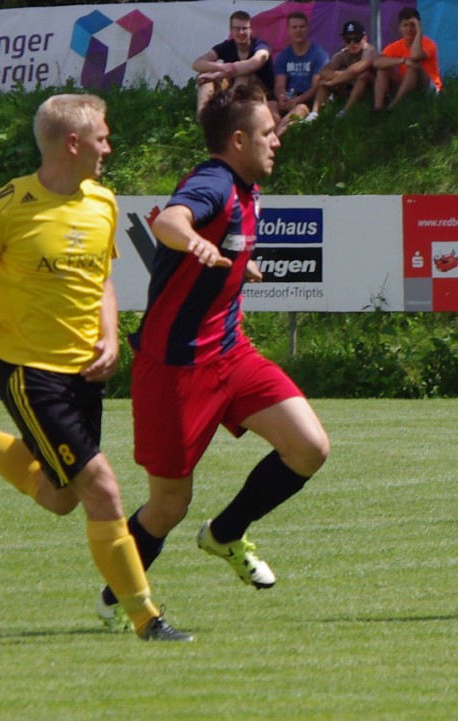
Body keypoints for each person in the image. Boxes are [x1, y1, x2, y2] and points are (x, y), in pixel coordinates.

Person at [0, 93, 191, 641]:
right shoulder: (5, 206)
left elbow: (103, 281)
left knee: (62, 498)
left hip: (84, 373)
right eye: (103, 138)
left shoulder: (103, 203)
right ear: (73, 143)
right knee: (104, 490)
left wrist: (109, 336)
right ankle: (146, 619)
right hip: (29, 373)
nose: (109, 147)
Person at [95, 83, 329, 620]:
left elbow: (219, 248)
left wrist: (238, 265)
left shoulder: (247, 190)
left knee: (309, 447)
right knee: (168, 506)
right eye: (268, 133)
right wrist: (190, 238)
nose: (277, 141)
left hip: (230, 353)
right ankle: (116, 596)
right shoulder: (214, 181)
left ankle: (225, 534)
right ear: (239, 140)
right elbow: (169, 220)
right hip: (175, 368)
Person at [191, 10, 277, 121]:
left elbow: (253, 64)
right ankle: (203, 118)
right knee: (204, 77)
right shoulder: (227, 46)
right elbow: (197, 64)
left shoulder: (260, 45)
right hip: (233, 89)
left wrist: (218, 75)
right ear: (231, 30)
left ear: (251, 30)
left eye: (244, 28)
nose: (241, 32)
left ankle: (230, 117)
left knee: (243, 76)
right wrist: (221, 67)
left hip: (263, 93)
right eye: (237, 28)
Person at [372, 7, 441, 112]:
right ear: (400, 27)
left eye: (412, 25)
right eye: (405, 25)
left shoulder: (429, 43)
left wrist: (419, 33)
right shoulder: (396, 46)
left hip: (428, 87)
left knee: (413, 65)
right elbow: (377, 63)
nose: (409, 29)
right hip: (406, 84)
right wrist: (402, 60)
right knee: (383, 69)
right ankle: (378, 108)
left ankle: (393, 107)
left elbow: (415, 56)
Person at [271, 10, 329, 133]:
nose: (298, 30)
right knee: (271, 105)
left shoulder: (319, 54)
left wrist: (296, 101)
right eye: (294, 27)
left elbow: (315, 87)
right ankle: (266, 135)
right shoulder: (283, 55)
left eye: (301, 26)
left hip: (305, 101)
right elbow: (279, 84)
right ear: (288, 30)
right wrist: (281, 97)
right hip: (288, 97)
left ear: (307, 28)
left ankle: (278, 137)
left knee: (299, 110)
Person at [313, 20, 377, 118]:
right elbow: (324, 71)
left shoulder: (369, 50)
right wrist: (345, 76)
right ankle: (314, 114)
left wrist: (334, 81)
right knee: (323, 81)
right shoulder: (342, 54)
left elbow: (359, 68)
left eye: (357, 39)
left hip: (371, 90)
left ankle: (345, 112)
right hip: (350, 87)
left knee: (363, 75)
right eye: (348, 39)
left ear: (364, 38)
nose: (352, 43)